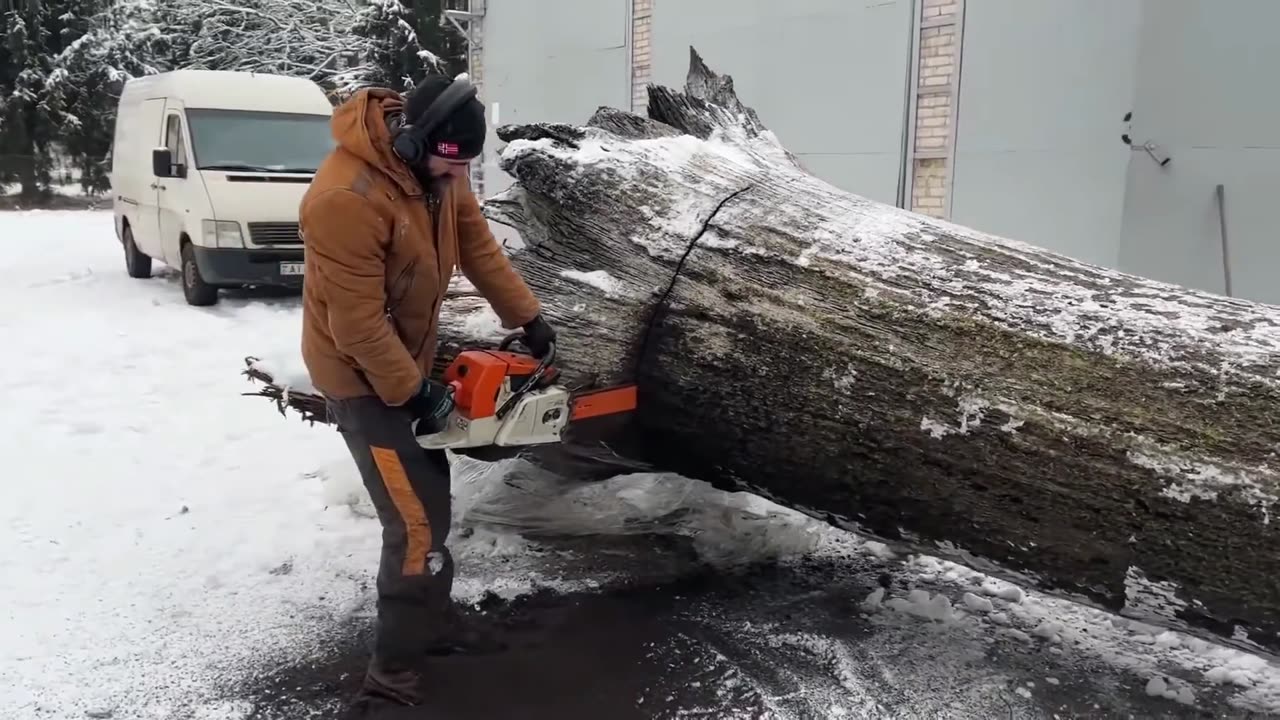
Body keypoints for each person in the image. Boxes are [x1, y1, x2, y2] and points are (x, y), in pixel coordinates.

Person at [297, 72, 557, 708]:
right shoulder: (345, 199)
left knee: (430, 505)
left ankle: (431, 625)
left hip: (403, 353)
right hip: (359, 374)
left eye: (464, 166)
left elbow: (478, 247)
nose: (456, 176)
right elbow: (354, 324)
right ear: (412, 145)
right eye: (450, 165)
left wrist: (528, 317)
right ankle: (390, 676)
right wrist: (414, 392)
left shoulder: (443, 166)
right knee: (413, 526)